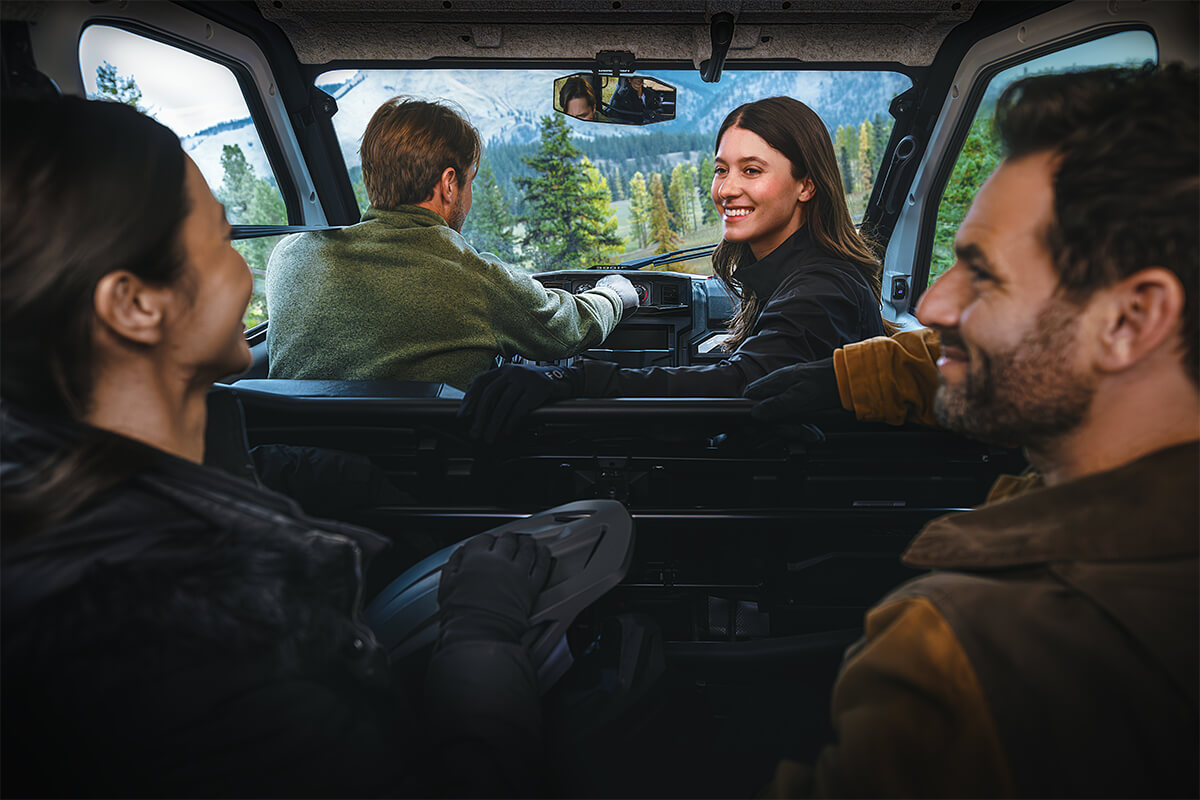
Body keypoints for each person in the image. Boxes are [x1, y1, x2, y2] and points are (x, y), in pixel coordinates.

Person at [1, 95, 553, 797]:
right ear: (135, 305)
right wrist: (483, 632)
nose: (245, 274)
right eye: (222, 243)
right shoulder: (201, 649)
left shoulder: (62, 502)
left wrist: (359, 487)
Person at [762, 65, 1198, 797]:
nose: (932, 303)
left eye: (982, 274)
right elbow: (1036, 344)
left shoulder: (961, 655)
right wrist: (853, 377)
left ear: (1131, 320)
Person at [461, 96, 889, 441]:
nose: (727, 189)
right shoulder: (799, 277)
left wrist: (570, 379)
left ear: (807, 184)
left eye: (752, 170)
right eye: (721, 170)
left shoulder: (821, 288)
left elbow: (742, 386)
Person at [266, 97, 638, 390]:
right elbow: (566, 329)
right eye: (469, 181)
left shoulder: (290, 255)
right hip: (419, 481)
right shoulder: (469, 277)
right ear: (448, 183)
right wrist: (614, 293)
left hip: (287, 474)